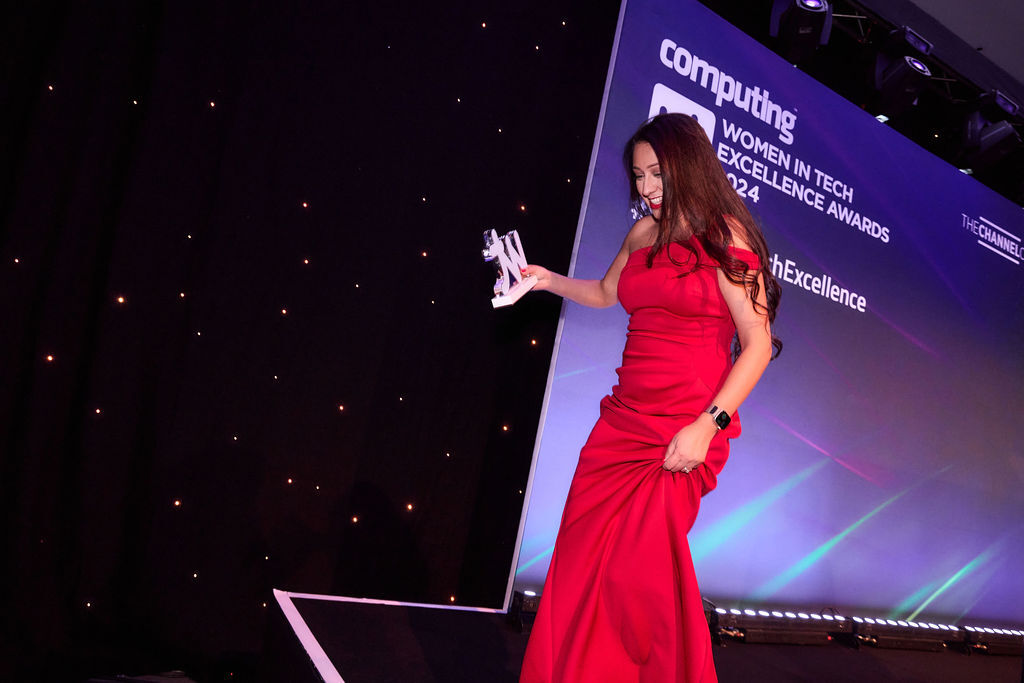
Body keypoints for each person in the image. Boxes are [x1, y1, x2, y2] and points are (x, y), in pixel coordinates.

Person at [518, 113, 781, 683]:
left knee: (640, 575)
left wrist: (707, 425)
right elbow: (606, 292)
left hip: (683, 429)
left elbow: (758, 344)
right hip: (620, 426)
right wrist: (547, 280)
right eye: (639, 176)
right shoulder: (642, 235)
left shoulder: (726, 237)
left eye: (657, 173)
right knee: (583, 566)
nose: (647, 187)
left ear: (688, 165)